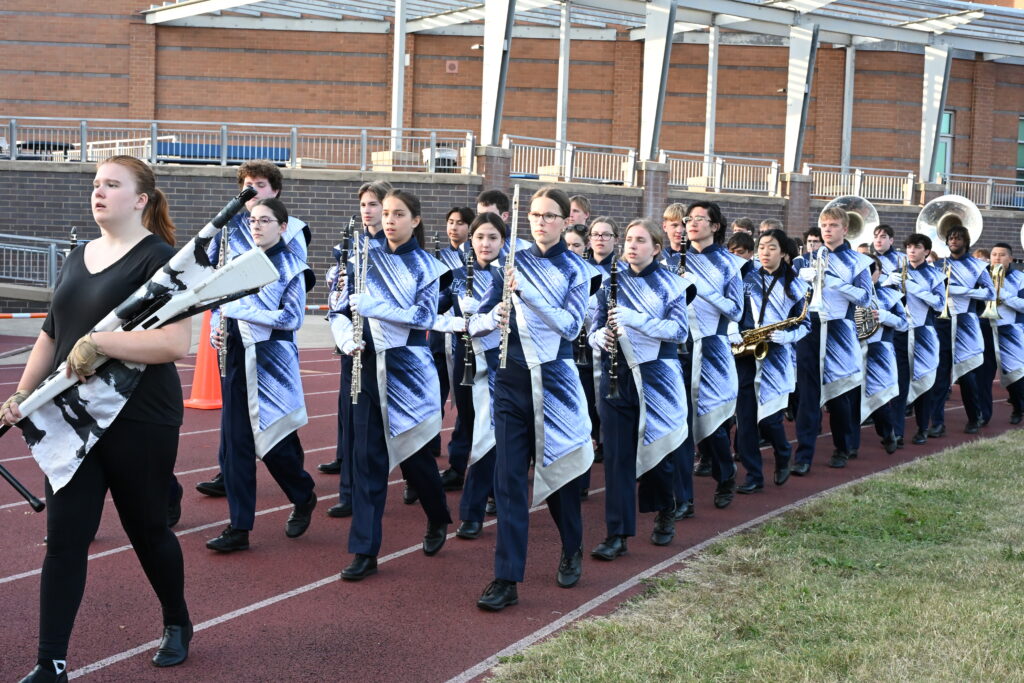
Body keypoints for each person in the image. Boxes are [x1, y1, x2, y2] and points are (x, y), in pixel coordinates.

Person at [2, 156, 192, 681]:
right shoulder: (77, 256)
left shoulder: (161, 259)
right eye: (95, 184)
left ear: (141, 200)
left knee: (148, 530)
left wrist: (100, 342)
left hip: (141, 419)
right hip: (71, 421)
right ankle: (51, 663)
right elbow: (50, 332)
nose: (99, 192)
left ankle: (177, 620)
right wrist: (21, 394)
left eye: (112, 184)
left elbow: (176, 342)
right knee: (65, 539)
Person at [472, 186, 600, 611]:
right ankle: (506, 578)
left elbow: (569, 325)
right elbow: (482, 319)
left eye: (549, 215)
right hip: (510, 378)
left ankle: (572, 546)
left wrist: (528, 294)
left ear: (566, 222)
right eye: (533, 214)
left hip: (556, 381)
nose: (540, 222)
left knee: (559, 476)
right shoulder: (509, 261)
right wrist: (488, 318)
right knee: (508, 480)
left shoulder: (578, 270)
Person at [337, 189, 453, 581]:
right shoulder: (362, 257)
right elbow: (339, 308)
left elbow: (423, 317)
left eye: (398, 214)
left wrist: (375, 307)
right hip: (368, 365)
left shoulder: (427, 266)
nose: (388, 220)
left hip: (409, 368)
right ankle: (364, 551)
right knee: (368, 460)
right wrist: (345, 337)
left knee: (416, 460)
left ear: (415, 220)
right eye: (385, 213)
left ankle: (438, 516)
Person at [196, 159, 314, 498]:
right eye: (247, 185)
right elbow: (214, 278)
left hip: (271, 333)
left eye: (260, 185)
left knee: (275, 406)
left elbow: (290, 280)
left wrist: (246, 308)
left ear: (275, 190)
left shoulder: (291, 228)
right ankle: (229, 470)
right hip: (234, 329)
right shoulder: (230, 226)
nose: (253, 191)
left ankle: (291, 463)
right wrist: (218, 318)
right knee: (234, 412)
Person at [205, 198, 317, 553]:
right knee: (236, 447)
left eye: (265, 220)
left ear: (283, 227)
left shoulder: (293, 267)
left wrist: (245, 310)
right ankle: (239, 527)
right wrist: (215, 328)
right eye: (253, 220)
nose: (256, 225)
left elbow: (292, 319)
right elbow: (218, 307)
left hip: (271, 361)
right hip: (236, 357)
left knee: (275, 446)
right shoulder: (238, 262)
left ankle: (303, 494)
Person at [588, 219, 688, 558]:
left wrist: (635, 319)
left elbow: (680, 332)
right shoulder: (608, 283)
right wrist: (597, 338)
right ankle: (617, 533)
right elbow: (594, 326)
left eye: (641, 240)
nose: (631, 245)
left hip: (657, 376)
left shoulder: (672, 285)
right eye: (628, 239)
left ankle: (665, 510)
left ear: (657, 248)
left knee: (659, 454)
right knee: (616, 456)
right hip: (617, 376)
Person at [322, 181, 391, 517]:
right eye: (364, 203)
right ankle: (349, 493)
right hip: (353, 341)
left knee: (375, 425)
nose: (368, 210)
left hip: (383, 343)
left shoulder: (393, 246)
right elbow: (337, 300)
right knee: (350, 420)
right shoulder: (349, 244)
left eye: (374, 203)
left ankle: (372, 487)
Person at [792, 206, 873, 473]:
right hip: (809, 328)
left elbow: (865, 298)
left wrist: (833, 281)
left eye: (833, 225)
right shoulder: (804, 259)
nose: (827, 229)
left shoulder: (859, 262)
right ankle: (803, 455)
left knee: (839, 395)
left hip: (839, 327)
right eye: (824, 225)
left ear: (845, 229)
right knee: (807, 395)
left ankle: (843, 446)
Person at [734, 230, 809, 494]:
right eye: (762, 247)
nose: (765, 252)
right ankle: (754, 476)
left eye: (772, 247)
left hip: (775, 356)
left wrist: (787, 336)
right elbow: (734, 310)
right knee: (745, 422)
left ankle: (783, 451)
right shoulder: (746, 279)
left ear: (784, 253)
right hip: (745, 353)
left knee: (770, 421)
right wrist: (734, 331)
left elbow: (805, 324)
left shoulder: (796, 285)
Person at [680, 201, 744, 507]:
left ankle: (725, 474)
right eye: (689, 219)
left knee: (712, 421)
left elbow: (736, 309)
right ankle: (682, 498)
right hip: (678, 346)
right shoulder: (675, 260)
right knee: (679, 422)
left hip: (713, 346)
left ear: (715, 226)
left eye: (700, 219)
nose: (692, 223)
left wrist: (700, 288)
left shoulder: (729, 264)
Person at [450, 212, 506, 539]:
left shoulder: (513, 273)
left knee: (492, 433)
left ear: (503, 241)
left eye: (493, 238)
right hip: (467, 359)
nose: (485, 244)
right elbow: (435, 313)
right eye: (480, 237)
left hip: (502, 364)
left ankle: (474, 508)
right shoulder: (457, 274)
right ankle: (490, 494)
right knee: (474, 428)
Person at [927, 226, 993, 436]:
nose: (954, 240)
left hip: (966, 324)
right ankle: (937, 423)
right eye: (951, 237)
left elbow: (990, 293)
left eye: (958, 237)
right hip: (942, 323)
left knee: (967, 377)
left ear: (966, 241)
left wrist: (960, 290)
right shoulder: (938, 265)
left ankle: (974, 417)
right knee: (939, 377)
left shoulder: (978, 266)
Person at [433, 206, 477, 492]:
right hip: (455, 343)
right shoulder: (455, 268)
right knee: (461, 409)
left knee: (484, 415)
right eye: (450, 222)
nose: (454, 228)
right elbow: (439, 300)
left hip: (491, 352)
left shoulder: (504, 270)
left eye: (461, 223)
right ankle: (457, 465)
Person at [849, 255, 908, 456]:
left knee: (879, 399)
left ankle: (887, 433)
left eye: (870, 271)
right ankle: (850, 447)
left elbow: (904, 324)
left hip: (879, 352)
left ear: (879, 273)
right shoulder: (849, 294)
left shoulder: (889, 296)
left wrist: (885, 316)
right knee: (851, 400)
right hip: (852, 351)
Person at [899, 233, 945, 444]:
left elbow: (938, 304)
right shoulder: (897, 273)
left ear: (926, 251)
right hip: (899, 332)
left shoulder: (936, 276)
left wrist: (914, 287)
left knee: (924, 381)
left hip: (924, 332)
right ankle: (897, 432)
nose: (912, 250)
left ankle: (922, 428)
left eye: (917, 247)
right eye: (909, 247)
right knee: (899, 383)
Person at [976, 243, 1024, 424]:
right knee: (983, 376)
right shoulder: (982, 276)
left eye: (1002, 255)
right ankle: (983, 415)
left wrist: (1001, 294)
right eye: (994, 254)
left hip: (1009, 330)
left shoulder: (1020, 278)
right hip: (986, 328)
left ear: (1010, 259)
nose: (997, 258)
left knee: (1014, 377)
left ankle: (1019, 408)